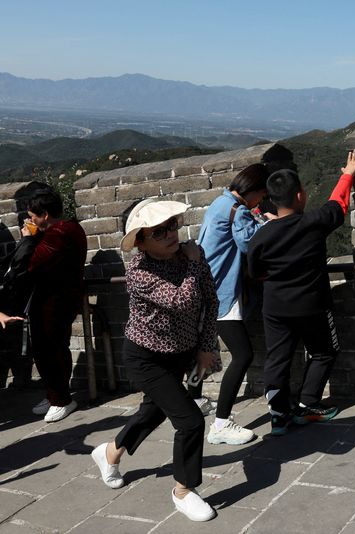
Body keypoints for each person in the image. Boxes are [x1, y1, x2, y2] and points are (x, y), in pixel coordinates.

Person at [91, 199, 219, 522]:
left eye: (172, 225)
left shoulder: (191, 256)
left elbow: (210, 300)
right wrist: (193, 263)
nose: (170, 234)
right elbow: (181, 300)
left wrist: (206, 348)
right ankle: (184, 490)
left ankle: (109, 454)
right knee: (190, 420)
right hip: (146, 357)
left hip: (182, 352)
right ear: (141, 242)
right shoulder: (138, 272)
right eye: (159, 231)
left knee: (153, 412)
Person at [247, 150, 355, 436]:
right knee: (325, 351)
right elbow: (338, 204)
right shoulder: (314, 222)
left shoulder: (261, 235)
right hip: (313, 305)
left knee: (278, 359)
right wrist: (348, 174)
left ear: (272, 199)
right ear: (300, 195)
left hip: (276, 308)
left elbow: (256, 272)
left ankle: (279, 416)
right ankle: (309, 403)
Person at [195, 164, 272, 445]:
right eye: (261, 195)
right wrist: (269, 222)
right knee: (243, 355)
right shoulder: (238, 210)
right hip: (221, 292)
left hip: (204, 288)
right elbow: (251, 244)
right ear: (253, 190)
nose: (260, 201)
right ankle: (221, 423)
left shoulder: (220, 201)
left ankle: (194, 400)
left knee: (203, 349)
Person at [24, 190, 87, 422]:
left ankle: (62, 399)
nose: (31, 221)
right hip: (52, 299)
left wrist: (28, 239)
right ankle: (54, 395)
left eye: (33, 217)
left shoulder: (59, 234)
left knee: (51, 349)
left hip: (56, 301)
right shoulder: (67, 228)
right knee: (44, 348)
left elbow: (33, 262)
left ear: (46, 215)